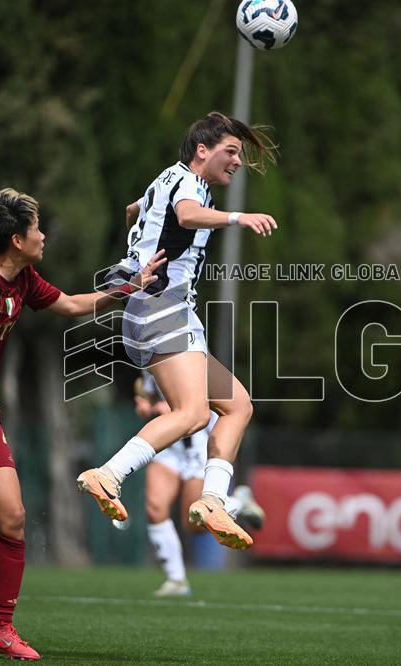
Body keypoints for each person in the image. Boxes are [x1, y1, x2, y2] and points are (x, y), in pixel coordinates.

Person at [0, 188, 164, 659]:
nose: (43, 236)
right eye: (37, 229)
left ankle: (1, 629)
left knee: (13, 519)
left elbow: (72, 305)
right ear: (17, 240)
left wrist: (129, 288)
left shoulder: (22, 279)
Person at [77, 111, 278, 551]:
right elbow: (186, 216)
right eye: (231, 152)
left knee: (237, 406)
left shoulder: (166, 178)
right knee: (192, 414)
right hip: (162, 310)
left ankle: (212, 500)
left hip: (157, 310)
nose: (238, 161)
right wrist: (237, 217)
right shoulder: (188, 184)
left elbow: (134, 209)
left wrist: (140, 224)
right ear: (202, 151)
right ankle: (108, 474)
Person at [133, 370, 265, 596]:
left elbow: (198, 405)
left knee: (195, 523)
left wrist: (172, 409)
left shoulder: (190, 355)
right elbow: (149, 396)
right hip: (169, 446)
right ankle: (176, 580)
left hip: (197, 443)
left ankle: (238, 503)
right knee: (155, 508)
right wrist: (146, 405)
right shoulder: (148, 362)